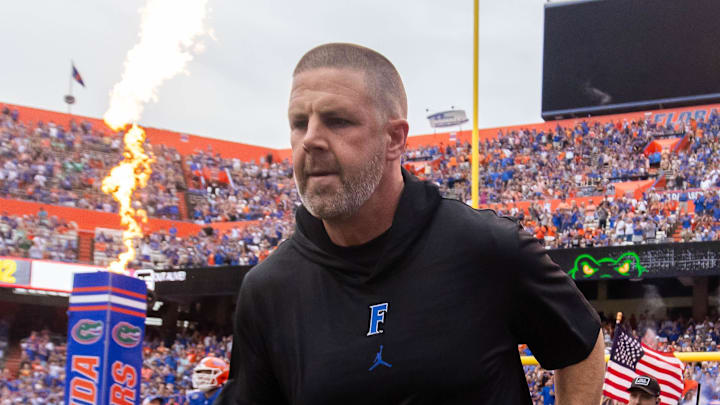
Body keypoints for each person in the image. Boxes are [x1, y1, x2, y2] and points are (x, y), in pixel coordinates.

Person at [218, 43, 604, 405]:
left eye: (337, 121)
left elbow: (580, 345)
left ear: (394, 139)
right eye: (299, 123)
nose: (311, 140)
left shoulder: (486, 247)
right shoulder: (268, 290)